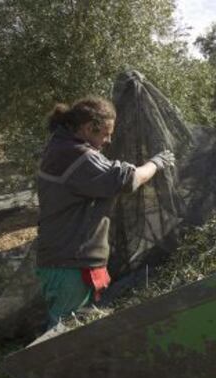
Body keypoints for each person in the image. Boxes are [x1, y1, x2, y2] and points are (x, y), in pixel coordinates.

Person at [36, 96, 175, 327]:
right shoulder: (77, 156)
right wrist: (156, 163)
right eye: (106, 134)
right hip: (71, 263)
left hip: (65, 259)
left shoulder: (61, 146)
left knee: (74, 329)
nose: (109, 140)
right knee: (65, 336)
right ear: (90, 128)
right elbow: (126, 179)